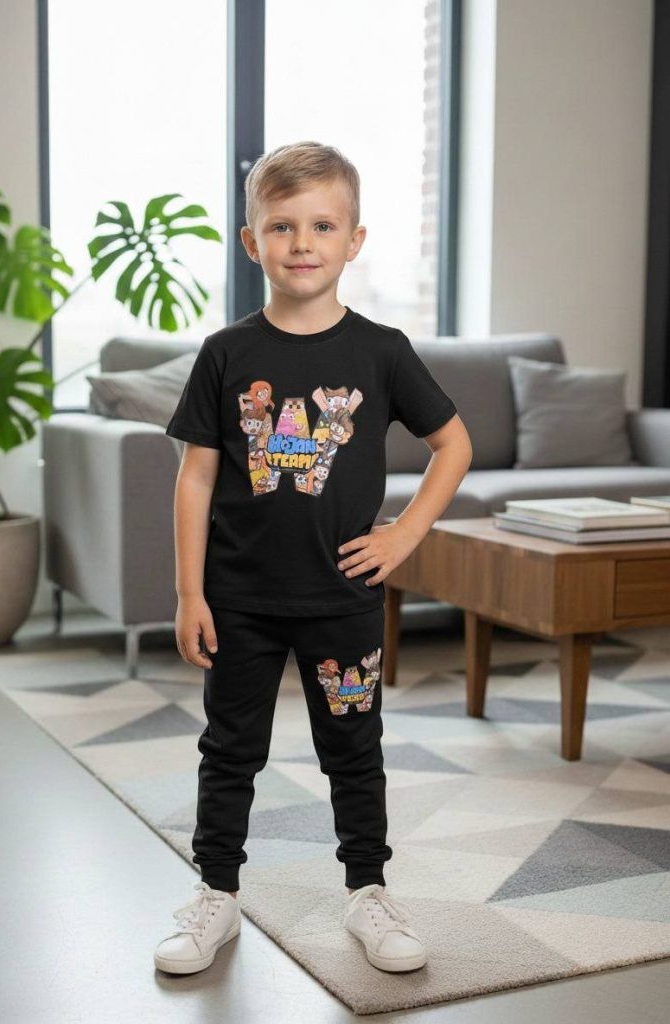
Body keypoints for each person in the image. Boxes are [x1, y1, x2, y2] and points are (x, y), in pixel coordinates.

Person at [154, 141, 473, 976]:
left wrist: (405, 533)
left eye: (322, 225)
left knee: (353, 748)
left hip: (343, 598)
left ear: (353, 240)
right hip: (239, 600)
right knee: (230, 749)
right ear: (250, 241)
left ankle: (367, 891)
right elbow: (195, 478)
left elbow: (453, 444)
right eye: (282, 225)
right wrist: (189, 593)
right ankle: (215, 895)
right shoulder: (225, 354)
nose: (302, 242)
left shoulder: (381, 350)